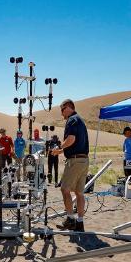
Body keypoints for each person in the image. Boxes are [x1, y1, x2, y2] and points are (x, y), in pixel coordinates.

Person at [51, 99, 89, 232]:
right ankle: (80, 222)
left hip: (75, 161)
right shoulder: (80, 120)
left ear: (68, 107)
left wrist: (58, 147)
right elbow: (76, 142)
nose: (62, 114)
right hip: (83, 160)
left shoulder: (72, 120)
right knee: (79, 193)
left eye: (62, 110)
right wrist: (61, 151)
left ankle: (70, 219)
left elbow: (71, 140)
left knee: (65, 189)